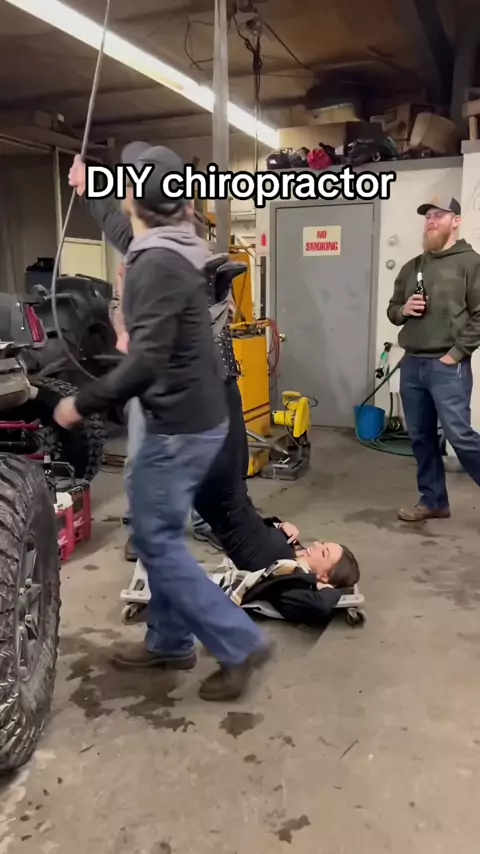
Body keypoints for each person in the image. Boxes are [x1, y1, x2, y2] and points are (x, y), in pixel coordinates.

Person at [61, 145, 272, 702]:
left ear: (137, 195)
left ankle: (237, 642)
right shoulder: (173, 240)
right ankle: (170, 641)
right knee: (164, 533)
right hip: (192, 413)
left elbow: (145, 363)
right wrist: (90, 187)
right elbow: (121, 225)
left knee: (156, 542)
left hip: (177, 422)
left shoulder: (156, 262)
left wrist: (80, 404)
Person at [387, 196, 480, 521]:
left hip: (447, 366)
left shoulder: (471, 263)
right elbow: (393, 310)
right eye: (428, 216)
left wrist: (456, 354)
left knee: (460, 436)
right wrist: (404, 309)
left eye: (439, 215)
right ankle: (434, 500)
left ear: (456, 221)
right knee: (420, 437)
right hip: (412, 364)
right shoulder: (412, 267)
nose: (431, 221)